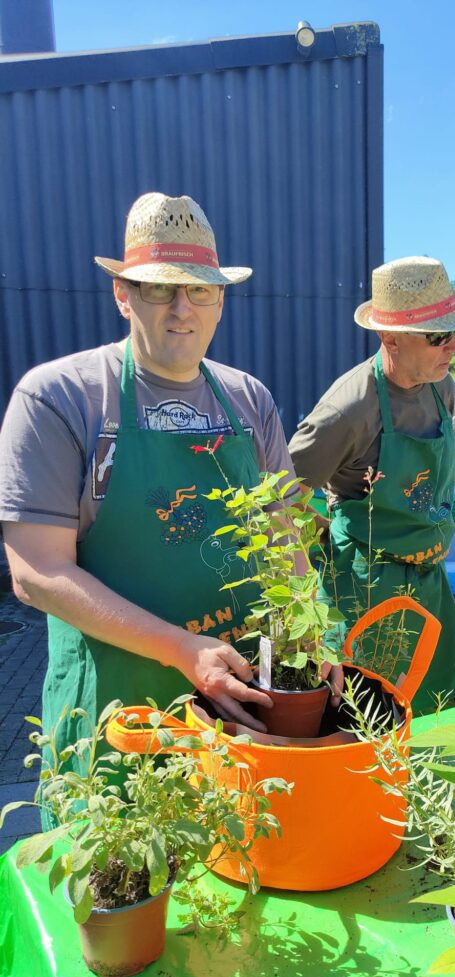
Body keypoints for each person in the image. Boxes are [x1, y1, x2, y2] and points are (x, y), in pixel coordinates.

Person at [0, 192, 294, 764]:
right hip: (117, 719)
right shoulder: (60, 397)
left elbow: (284, 532)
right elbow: (36, 572)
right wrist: (182, 649)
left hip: (239, 709)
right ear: (123, 294)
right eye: (160, 287)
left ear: (220, 300)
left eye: (199, 289)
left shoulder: (248, 399)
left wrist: (307, 636)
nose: (182, 308)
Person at [289, 256, 455, 714]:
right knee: (370, 720)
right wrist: (322, 542)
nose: (452, 346)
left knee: (436, 712)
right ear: (389, 336)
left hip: (431, 583)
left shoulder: (442, 387)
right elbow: (279, 492)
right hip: (367, 589)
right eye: (437, 336)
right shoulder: (348, 410)